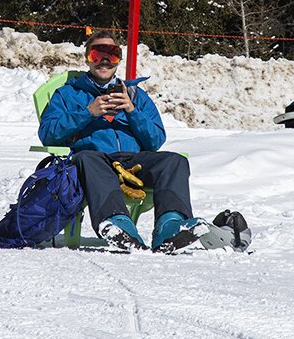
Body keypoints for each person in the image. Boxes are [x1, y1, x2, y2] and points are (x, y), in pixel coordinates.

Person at [38, 32, 199, 251]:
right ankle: (117, 223)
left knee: (174, 161)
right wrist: (87, 113)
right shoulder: (68, 94)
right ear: (87, 58)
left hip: (134, 161)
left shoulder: (135, 96)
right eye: (96, 54)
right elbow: (48, 133)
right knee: (85, 157)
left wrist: (132, 111)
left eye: (112, 55)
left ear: (119, 60)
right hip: (95, 162)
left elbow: (156, 140)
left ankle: (171, 226)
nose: (104, 61)